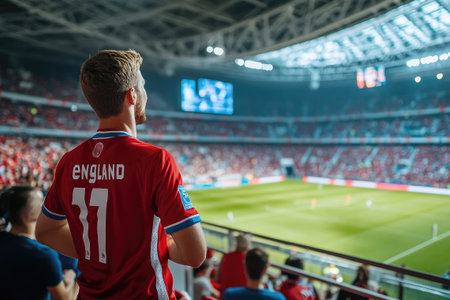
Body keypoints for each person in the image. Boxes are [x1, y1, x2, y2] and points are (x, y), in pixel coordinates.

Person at [35, 49, 207, 299]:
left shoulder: (69, 162)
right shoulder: (155, 160)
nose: (146, 93)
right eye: (143, 86)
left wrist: (95, 252)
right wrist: (163, 246)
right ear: (132, 95)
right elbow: (194, 254)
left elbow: (45, 231)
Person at [0, 185, 78, 300]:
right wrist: (74, 280)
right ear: (29, 214)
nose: (46, 205)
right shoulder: (43, 255)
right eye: (42, 201)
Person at [216, 233, 251, 298]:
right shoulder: (248, 260)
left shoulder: (227, 256)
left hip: (224, 296)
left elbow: (217, 279)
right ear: (248, 246)